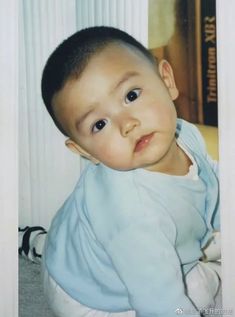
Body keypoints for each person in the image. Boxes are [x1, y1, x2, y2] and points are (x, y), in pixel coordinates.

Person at [38, 26, 221, 317]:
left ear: (166, 80)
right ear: (85, 152)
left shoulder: (183, 133)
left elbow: (212, 182)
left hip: (80, 239)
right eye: (99, 124)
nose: (127, 124)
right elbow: (159, 304)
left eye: (131, 95)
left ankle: (39, 242)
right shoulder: (132, 214)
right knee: (200, 293)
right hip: (89, 293)